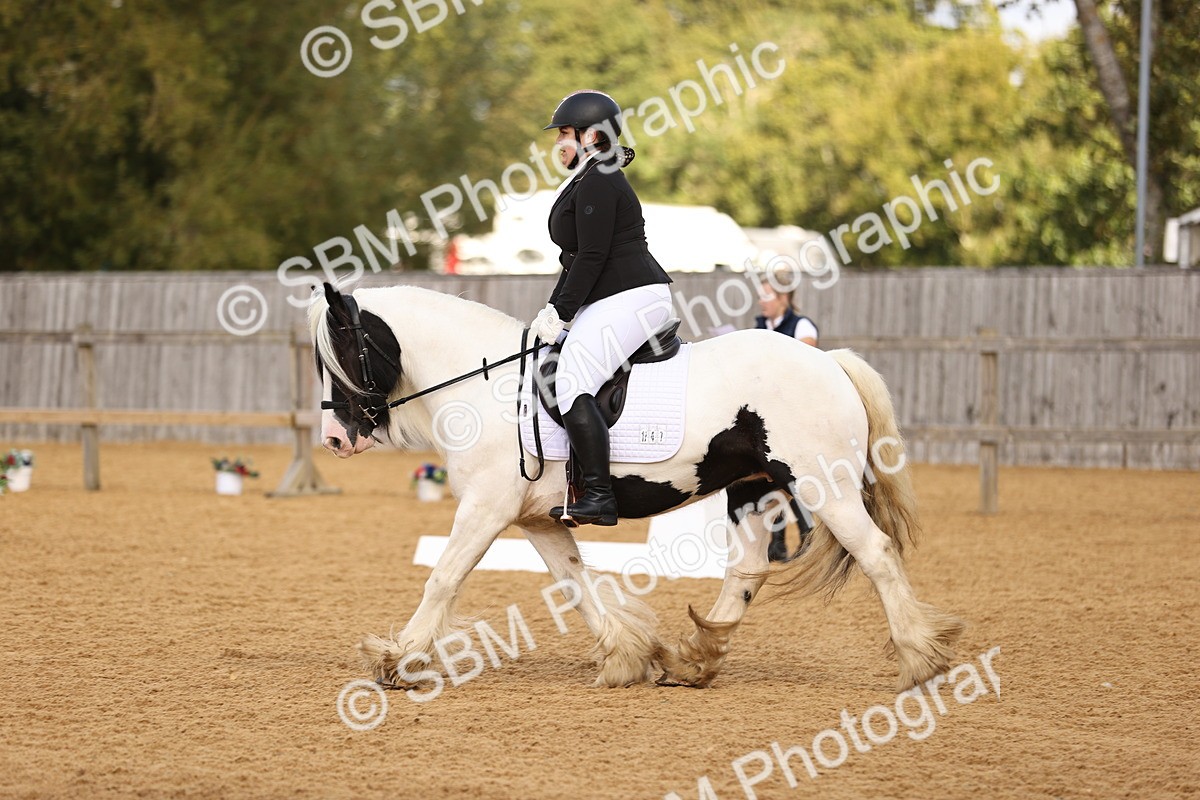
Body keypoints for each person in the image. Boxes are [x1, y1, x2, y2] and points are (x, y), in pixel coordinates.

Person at [529, 90, 674, 527]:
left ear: (592, 135)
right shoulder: (589, 175)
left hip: (633, 295)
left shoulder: (599, 178)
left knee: (572, 380)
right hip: (613, 295)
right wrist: (554, 307)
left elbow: (592, 256)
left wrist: (563, 312)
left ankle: (599, 494)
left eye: (566, 134)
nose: (559, 143)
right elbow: (576, 258)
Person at [753, 273, 819, 560]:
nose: (760, 301)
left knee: (790, 477)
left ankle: (807, 537)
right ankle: (777, 544)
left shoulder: (802, 326)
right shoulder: (759, 327)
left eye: (766, 295)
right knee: (770, 479)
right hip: (768, 412)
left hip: (796, 411)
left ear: (783, 299)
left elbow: (802, 363)